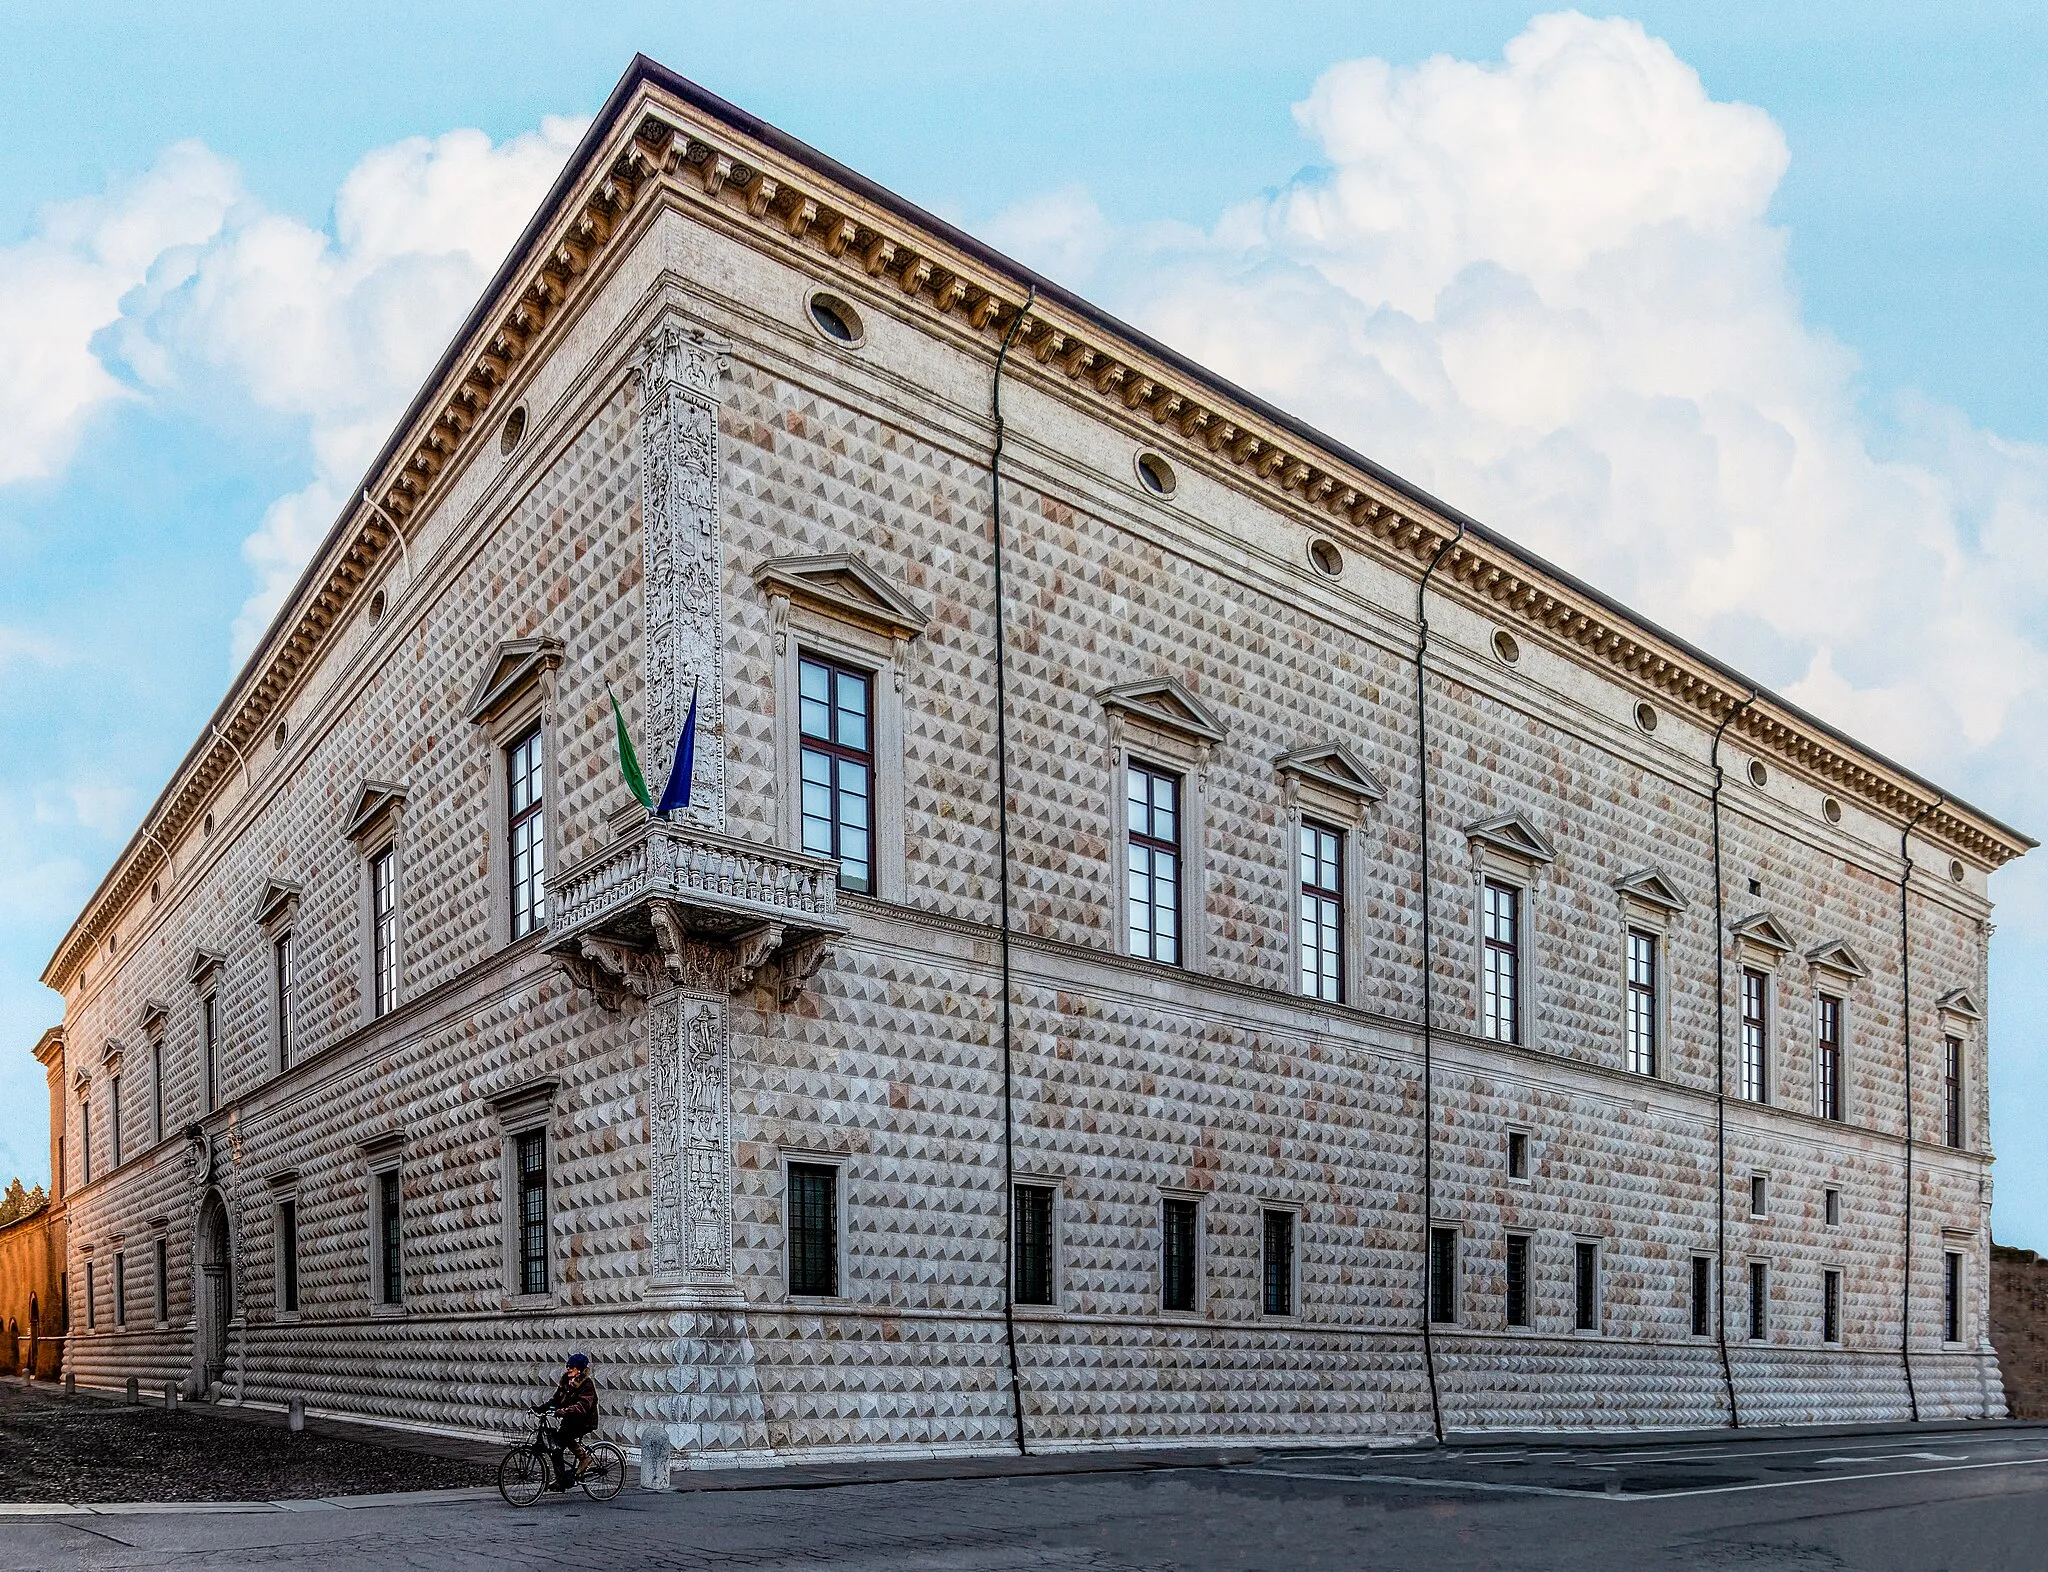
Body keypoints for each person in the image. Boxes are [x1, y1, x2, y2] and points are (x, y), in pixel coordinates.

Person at [538, 1353, 599, 1490]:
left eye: (572, 1367)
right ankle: (561, 1479)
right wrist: (543, 1408)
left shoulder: (586, 1384)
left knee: (562, 1440)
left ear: (580, 1369)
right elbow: (556, 1399)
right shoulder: (566, 1380)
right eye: (567, 1366)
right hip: (570, 1420)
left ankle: (584, 1458)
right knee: (557, 1445)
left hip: (584, 1420)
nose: (568, 1369)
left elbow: (583, 1405)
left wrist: (565, 1411)